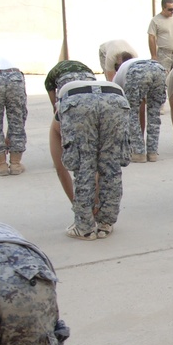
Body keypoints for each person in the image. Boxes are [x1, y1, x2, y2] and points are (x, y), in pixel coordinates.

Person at [57, 78, 131, 240]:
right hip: (115, 101)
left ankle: (84, 228)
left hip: (77, 102)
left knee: (85, 164)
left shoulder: (64, 94)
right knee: (112, 166)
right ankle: (106, 223)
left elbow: (57, 135)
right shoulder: (107, 83)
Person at [44, 60, 97, 202]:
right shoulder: (86, 68)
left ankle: (68, 150)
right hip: (91, 83)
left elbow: (54, 98)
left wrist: (57, 110)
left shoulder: (52, 75)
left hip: (67, 86)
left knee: (67, 117)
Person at [114, 57, 167, 163]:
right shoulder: (128, 66)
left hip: (137, 71)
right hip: (159, 69)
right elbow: (141, 108)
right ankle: (152, 153)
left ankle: (138, 153)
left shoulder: (117, 77)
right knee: (154, 112)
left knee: (131, 112)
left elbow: (119, 108)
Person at [147, 0, 173, 74]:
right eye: (170, 9)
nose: (172, 11)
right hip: (164, 54)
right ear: (163, 8)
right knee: (164, 76)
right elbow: (151, 37)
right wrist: (153, 55)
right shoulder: (155, 20)